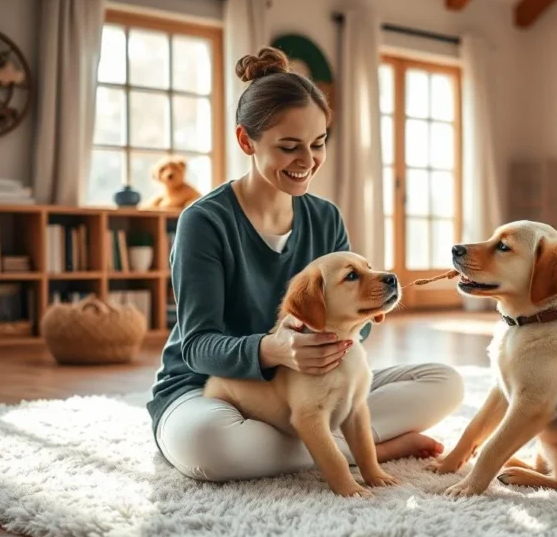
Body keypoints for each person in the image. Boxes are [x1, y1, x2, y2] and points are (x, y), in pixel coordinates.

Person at [147, 47, 465, 483]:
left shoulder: (325, 217)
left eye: (318, 144)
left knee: (445, 382)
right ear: (246, 141)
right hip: (210, 391)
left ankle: (325, 444)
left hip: (315, 390)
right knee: (214, 446)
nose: (308, 161)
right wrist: (272, 349)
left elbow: (360, 317)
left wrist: (337, 334)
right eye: (289, 147)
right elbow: (197, 346)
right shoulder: (204, 222)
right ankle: (362, 449)